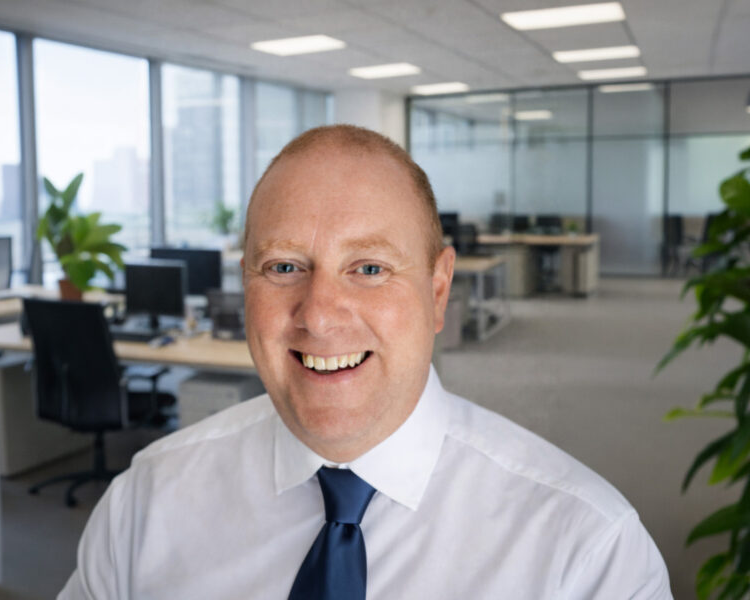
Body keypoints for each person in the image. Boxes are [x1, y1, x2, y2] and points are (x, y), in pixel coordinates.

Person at [59, 124, 672, 599]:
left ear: (437, 291)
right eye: (283, 267)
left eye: (370, 268)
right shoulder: (145, 504)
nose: (320, 315)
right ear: (245, 282)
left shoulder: (589, 553)